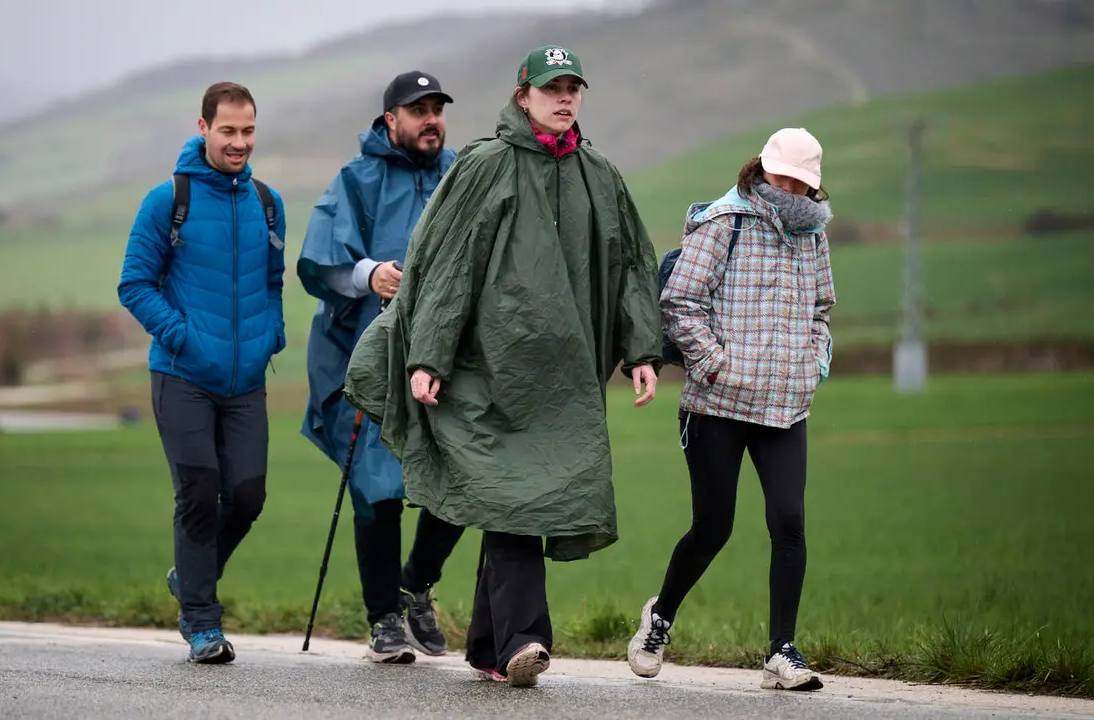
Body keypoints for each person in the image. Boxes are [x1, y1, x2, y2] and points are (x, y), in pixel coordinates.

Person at [343, 45, 664, 687]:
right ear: (524, 97)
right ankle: (525, 639)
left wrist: (643, 349)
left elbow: (629, 264)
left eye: (573, 87)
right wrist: (427, 355)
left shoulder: (599, 173)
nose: (564, 97)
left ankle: (490, 647)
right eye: (551, 88)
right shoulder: (486, 167)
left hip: (565, 380)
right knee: (514, 496)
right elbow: (445, 266)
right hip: (484, 373)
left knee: (509, 495)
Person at [625, 127, 836, 691]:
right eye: (783, 176)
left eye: (801, 182)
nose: (790, 188)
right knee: (713, 527)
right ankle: (659, 619)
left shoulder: (813, 234)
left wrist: (813, 364)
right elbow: (679, 302)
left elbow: (821, 310)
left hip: (785, 405)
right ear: (763, 168)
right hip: (716, 405)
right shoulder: (725, 222)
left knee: (789, 521)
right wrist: (717, 364)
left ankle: (781, 652)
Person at [297, 71, 467, 664]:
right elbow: (321, 260)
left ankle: (415, 582)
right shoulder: (357, 177)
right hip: (366, 356)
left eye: (436, 108)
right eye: (416, 110)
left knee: (464, 475)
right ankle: (384, 621)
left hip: (448, 358)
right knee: (376, 486)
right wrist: (368, 273)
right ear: (390, 120)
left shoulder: (459, 175)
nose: (430, 119)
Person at [117, 81, 287, 665]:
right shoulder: (168, 199)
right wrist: (183, 337)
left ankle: (189, 577)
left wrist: (274, 334)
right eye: (228, 131)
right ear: (203, 128)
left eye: (248, 131)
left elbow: (272, 280)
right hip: (182, 374)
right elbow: (134, 285)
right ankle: (201, 623)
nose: (239, 142)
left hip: (246, 380)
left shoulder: (268, 202)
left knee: (246, 495)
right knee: (197, 492)